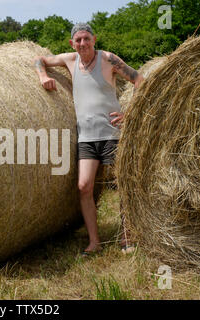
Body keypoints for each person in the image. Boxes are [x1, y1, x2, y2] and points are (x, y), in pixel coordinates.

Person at [34, 23, 143, 255]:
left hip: (111, 133)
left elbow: (139, 80)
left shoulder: (108, 59)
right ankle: (94, 242)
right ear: (72, 43)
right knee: (84, 187)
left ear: (94, 39)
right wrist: (43, 76)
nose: (82, 43)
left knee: (123, 184)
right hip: (86, 137)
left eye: (86, 39)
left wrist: (130, 112)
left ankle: (127, 236)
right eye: (78, 40)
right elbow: (39, 59)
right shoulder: (70, 60)